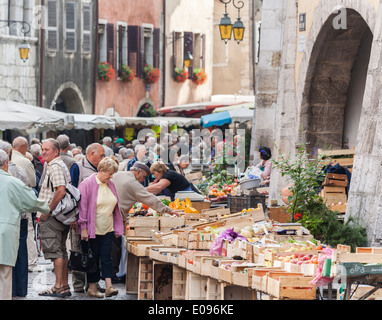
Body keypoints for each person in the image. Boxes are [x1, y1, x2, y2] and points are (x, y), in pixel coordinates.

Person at [0, 150, 50, 300]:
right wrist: (47, 208)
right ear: (6, 163)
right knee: (4, 273)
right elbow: (32, 201)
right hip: (6, 232)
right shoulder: (13, 182)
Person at [77, 157, 123, 298]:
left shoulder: (111, 184)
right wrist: (83, 227)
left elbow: (116, 207)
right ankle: (92, 287)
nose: (111, 176)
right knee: (93, 258)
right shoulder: (87, 184)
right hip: (91, 230)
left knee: (107, 257)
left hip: (107, 228)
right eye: (109, 173)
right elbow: (83, 208)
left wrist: (117, 227)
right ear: (101, 170)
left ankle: (109, 286)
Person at [37, 138, 72, 298]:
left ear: (56, 151)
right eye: (42, 149)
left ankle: (58, 286)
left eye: (47, 149)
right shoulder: (56, 164)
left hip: (53, 216)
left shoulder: (55, 166)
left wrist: (47, 210)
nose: (43, 152)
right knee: (61, 250)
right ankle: (63, 285)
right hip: (59, 216)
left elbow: (61, 191)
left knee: (56, 251)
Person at [69, 143, 105, 293]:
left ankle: (93, 283)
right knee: (78, 249)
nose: (103, 158)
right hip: (80, 216)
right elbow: (71, 192)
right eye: (101, 155)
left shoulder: (101, 168)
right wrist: (73, 217)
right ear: (91, 154)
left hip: (97, 218)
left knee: (94, 251)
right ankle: (78, 283)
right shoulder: (77, 167)